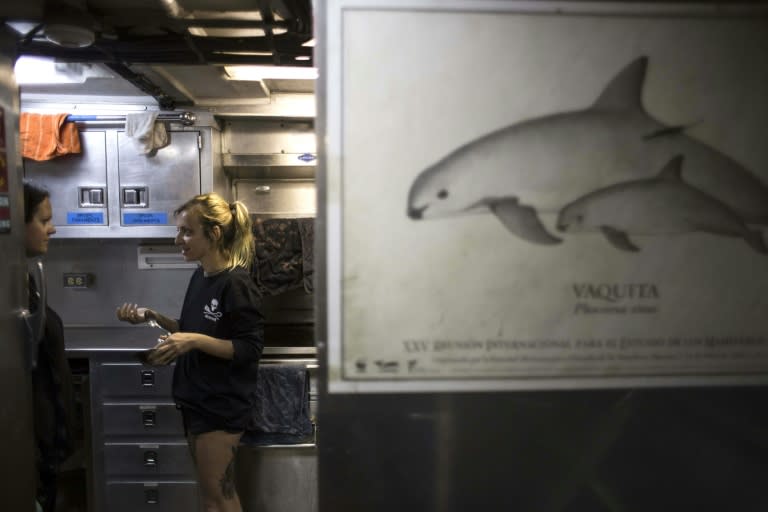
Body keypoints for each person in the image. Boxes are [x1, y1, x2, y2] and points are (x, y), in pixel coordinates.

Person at [116, 192, 263, 512]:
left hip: (221, 406)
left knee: (218, 499)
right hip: (197, 399)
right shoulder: (201, 275)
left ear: (214, 234)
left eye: (186, 231)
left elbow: (249, 348)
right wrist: (154, 316)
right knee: (211, 497)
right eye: (178, 231)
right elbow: (192, 327)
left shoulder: (236, 284)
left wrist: (193, 341)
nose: (177, 239)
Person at [24, 181, 77, 512]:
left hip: (44, 446)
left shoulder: (27, 280)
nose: (52, 229)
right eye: (43, 221)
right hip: (30, 445)